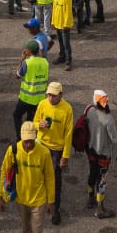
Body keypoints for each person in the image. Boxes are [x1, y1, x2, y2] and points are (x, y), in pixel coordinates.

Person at [0, 121, 56, 233]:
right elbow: (4, 171)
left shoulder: (44, 153)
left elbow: (50, 177)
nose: (29, 144)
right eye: (26, 141)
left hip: (39, 200)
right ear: (21, 139)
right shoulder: (13, 150)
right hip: (21, 199)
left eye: (31, 140)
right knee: (25, 229)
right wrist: (0, 196)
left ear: (35, 137)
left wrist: (51, 200)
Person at [33, 81, 74, 225]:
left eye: (54, 95)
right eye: (49, 95)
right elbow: (35, 121)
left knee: (55, 180)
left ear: (61, 95)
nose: (51, 98)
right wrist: (39, 125)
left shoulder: (67, 109)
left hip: (57, 149)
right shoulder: (43, 104)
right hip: (42, 145)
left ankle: (55, 209)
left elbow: (69, 134)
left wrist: (65, 156)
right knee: (39, 175)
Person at [81, 90, 117, 219]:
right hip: (104, 155)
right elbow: (114, 139)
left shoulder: (88, 110)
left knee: (92, 173)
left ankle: (90, 198)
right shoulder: (108, 118)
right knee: (102, 180)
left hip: (90, 150)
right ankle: (100, 208)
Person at [13, 39, 50, 140]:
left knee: (17, 115)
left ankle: (20, 137)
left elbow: (17, 76)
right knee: (32, 119)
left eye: (26, 49)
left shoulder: (27, 63)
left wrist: (21, 59)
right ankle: (31, 137)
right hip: (39, 99)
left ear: (29, 51)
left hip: (26, 98)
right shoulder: (45, 62)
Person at [50, 0, 75, 69]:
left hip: (64, 25)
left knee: (66, 44)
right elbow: (54, 10)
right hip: (57, 24)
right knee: (60, 42)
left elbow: (68, 12)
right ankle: (62, 57)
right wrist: (53, 22)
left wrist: (66, 25)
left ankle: (68, 61)